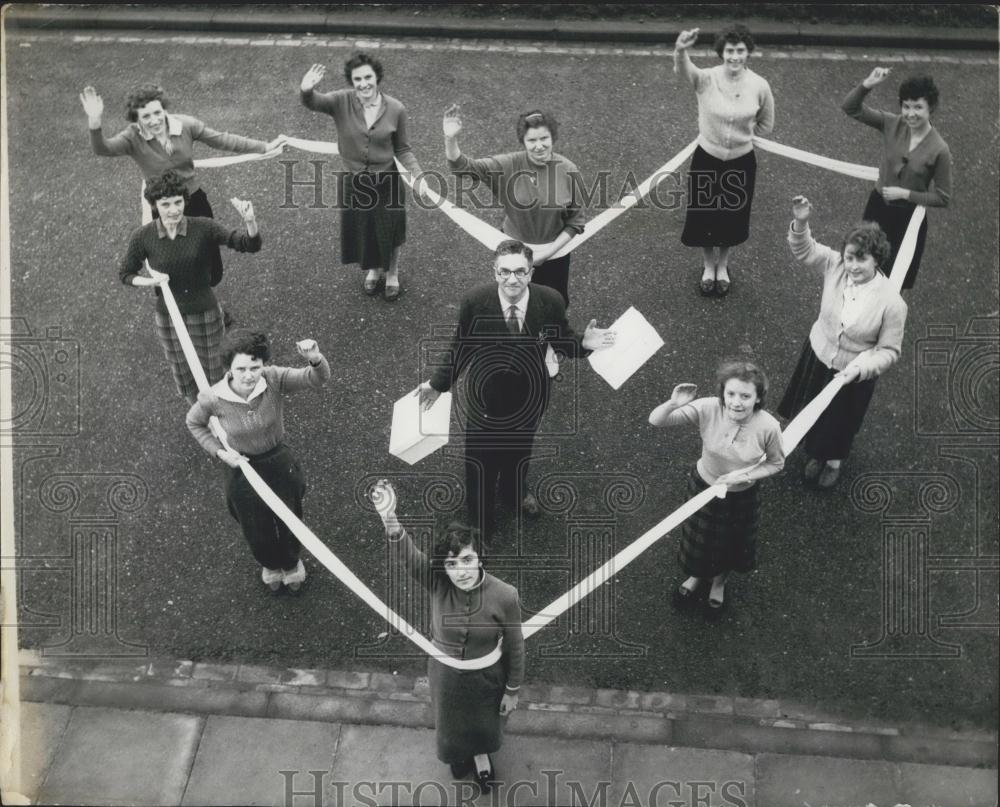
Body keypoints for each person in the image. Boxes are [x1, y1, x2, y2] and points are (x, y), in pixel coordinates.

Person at [417, 240, 615, 543]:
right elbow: (462, 346)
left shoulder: (550, 301)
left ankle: (514, 492)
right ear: (495, 272)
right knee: (480, 461)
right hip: (488, 398)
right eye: (505, 272)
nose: (513, 279)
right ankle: (481, 522)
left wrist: (584, 344)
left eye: (520, 272)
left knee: (519, 448)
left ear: (531, 273)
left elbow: (562, 340)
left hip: (530, 396)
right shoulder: (475, 301)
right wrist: (437, 384)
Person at [81, 84, 283, 323]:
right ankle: (177, 308)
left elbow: (222, 140)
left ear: (164, 109)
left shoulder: (184, 125)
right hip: (162, 209)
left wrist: (264, 147)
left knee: (207, 260)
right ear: (137, 119)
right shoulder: (132, 138)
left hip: (194, 202)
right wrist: (95, 121)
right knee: (169, 262)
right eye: (146, 116)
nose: (155, 120)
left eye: (158, 112)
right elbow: (103, 149)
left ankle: (207, 301)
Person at [371, 479, 523, 792]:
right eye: (452, 563)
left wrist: (512, 689)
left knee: (483, 724)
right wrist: (390, 518)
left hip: (487, 678)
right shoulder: (438, 582)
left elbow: (516, 646)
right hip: (446, 679)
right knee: (452, 727)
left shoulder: (506, 595)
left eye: (467, 560)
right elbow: (409, 557)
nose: (461, 571)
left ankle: (481, 756)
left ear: (480, 557)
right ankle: (458, 755)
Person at [186, 330, 331, 593]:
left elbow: (316, 378)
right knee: (255, 526)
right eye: (240, 368)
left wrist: (315, 358)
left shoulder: (273, 378)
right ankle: (270, 564)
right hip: (242, 467)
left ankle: (291, 563)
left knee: (290, 517)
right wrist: (220, 452)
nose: (249, 375)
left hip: (277, 461)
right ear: (229, 368)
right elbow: (194, 423)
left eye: (255, 367)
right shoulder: (213, 397)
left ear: (264, 365)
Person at [777, 195, 907, 489]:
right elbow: (804, 250)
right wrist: (801, 220)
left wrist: (861, 370)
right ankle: (816, 451)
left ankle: (833, 460)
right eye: (850, 257)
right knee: (814, 410)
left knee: (840, 422)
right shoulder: (834, 264)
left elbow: (889, 351)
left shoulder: (893, 303)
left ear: (877, 258)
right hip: (818, 355)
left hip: (853, 374)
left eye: (862, 259)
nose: (853, 265)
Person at [649, 360, 784, 612]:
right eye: (730, 393)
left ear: (757, 398)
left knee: (730, 545)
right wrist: (672, 404)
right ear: (723, 392)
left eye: (745, 396)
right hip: (703, 486)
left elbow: (776, 464)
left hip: (741, 496)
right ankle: (697, 575)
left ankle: (719, 583)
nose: (736, 402)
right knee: (698, 542)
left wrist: (745, 476)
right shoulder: (709, 407)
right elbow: (656, 421)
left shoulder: (769, 427)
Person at [119, 170, 261, 405]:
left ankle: (223, 413)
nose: (173, 210)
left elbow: (247, 244)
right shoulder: (143, 237)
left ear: (185, 200)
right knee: (183, 370)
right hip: (169, 317)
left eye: (178, 202)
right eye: (166, 204)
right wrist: (150, 282)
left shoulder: (203, 227)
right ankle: (200, 414)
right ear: (155, 205)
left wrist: (250, 222)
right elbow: (125, 273)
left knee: (215, 366)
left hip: (205, 312)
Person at [299, 53, 427, 301]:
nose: (364, 83)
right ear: (351, 81)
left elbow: (402, 149)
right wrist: (306, 89)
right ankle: (373, 268)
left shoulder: (396, 109)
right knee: (364, 228)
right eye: (357, 79)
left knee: (390, 229)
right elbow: (313, 102)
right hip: (353, 181)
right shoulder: (340, 101)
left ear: (377, 77)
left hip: (386, 180)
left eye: (368, 77)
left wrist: (419, 177)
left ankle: (392, 272)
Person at [444, 106, 585, 307]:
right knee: (514, 302)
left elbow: (576, 222)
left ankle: (547, 339)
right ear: (523, 142)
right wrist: (451, 138)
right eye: (532, 140)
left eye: (544, 138)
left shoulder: (569, 170)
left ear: (552, 138)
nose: (539, 146)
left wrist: (547, 254)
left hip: (555, 254)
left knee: (554, 303)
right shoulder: (508, 165)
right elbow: (464, 167)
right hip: (514, 254)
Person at [674, 24, 775, 297]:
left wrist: (741, 136)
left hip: (741, 162)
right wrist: (681, 49)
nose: (734, 56)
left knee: (731, 217)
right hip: (707, 158)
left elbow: (766, 124)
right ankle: (709, 266)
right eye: (730, 50)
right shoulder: (707, 79)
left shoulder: (759, 85)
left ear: (748, 52)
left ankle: (724, 266)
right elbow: (686, 70)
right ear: (722, 52)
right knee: (705, 215)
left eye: (740, 50)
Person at [842, 68, 952, 290]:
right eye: (906, 106)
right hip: (877, 210)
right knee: (861, 271)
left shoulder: (940, 149)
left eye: (918, 107)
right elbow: (850, 108)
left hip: (908, 219)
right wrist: (868, 84)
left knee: (894, 284)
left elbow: (943, 197)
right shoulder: (892, 123)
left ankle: (888, 324)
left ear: (931, 107)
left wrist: (906, 194)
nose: (911, 114)